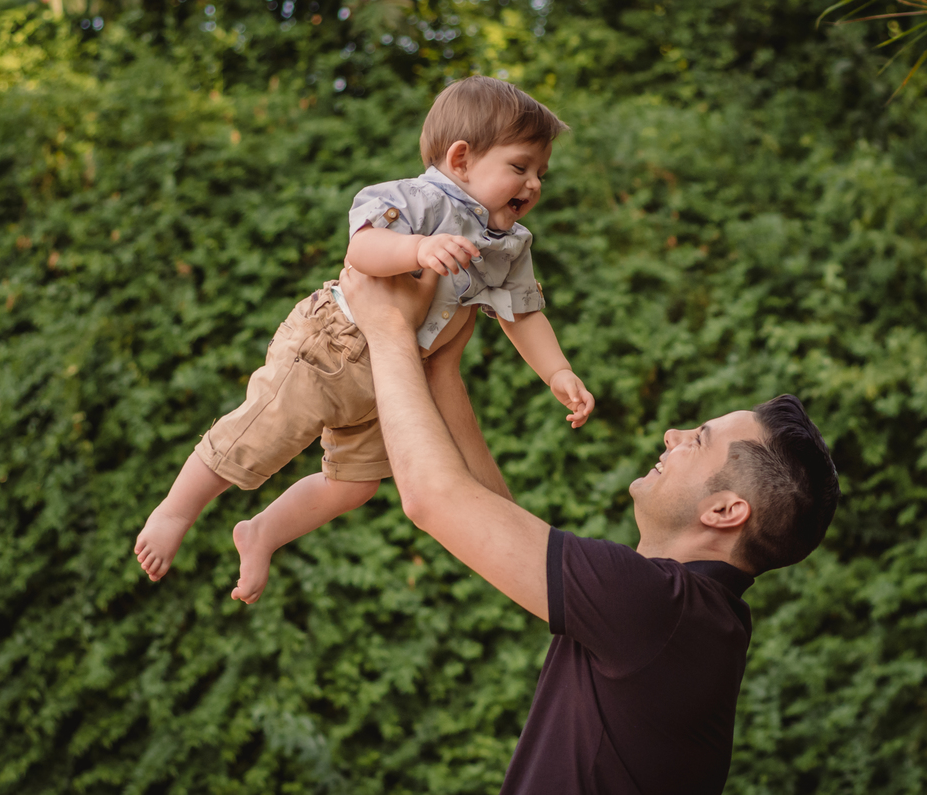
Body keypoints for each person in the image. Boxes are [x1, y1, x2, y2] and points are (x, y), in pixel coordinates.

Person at [337, 265, 840, 794]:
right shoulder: (692, 619)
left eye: (699, 439)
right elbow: (489, 516)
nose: (672, 434)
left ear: (723, 511)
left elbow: (433, 499)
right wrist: (440, 366)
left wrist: (388, 327)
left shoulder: (661, 608)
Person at [134, 76, 594, 604]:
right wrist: (417, 250)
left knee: (354, 486)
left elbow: (523, 313)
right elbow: (363, 250)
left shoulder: (510, 245)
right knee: (254, 438)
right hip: (333, 346)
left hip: (393, 379)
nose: (534, 184)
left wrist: (557, 372)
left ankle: (262, 531)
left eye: (541, 173)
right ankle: (174, 511)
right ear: (462, 158)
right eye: (520, 167)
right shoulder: (418, 199)